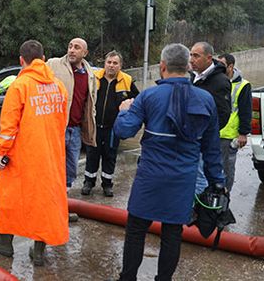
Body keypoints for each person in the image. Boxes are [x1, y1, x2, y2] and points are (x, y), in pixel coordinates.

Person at [113, 43, 225, 281]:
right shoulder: (205, 100)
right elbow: (212, 149)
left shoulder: (148, 96)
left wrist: (124, 109)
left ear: (162, 66)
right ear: (187, 67)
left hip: (150, 178)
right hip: (182, 181)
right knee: (172, 234)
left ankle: (128, 278)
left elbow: (124, 131)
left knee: (135, 231)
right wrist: (218, 183)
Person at [0, 40, 69, 266]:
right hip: (50, 155)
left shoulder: (20, 86)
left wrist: (1, 152)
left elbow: (8, 126)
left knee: (10, 197)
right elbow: (63, 122)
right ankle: (39, 250)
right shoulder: (58, 85)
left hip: (21, 155)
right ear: (43, 57)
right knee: (45, 200)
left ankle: (4, 243)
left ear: (21, 60)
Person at [82, 50, 139, 197]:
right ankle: (89, 182)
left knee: (109, 155)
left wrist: (128, 117)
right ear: (105, 64)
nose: (111, 66)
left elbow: (138, 101)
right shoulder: (94, 77)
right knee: (92, 155)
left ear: (120, 65)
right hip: (94, 125)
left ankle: (107, 184)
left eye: (115, 63)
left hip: (113, 128)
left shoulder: (127, 80)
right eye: (109, 62)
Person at [46, 38, 97, 190]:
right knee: (53, 166)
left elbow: (90, 102)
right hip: (57, 127)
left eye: (77, 47)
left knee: (71, 168)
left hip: (75, 129)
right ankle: (53, 199)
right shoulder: (53, 64)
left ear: (85, 53)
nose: (72, 50)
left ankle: (65, 195)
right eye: (70, 46)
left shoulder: (90, 74)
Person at [189, 42, 231, 194]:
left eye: (196, 56)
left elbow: (222, 114)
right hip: (190, 139)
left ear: (209, 58)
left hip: (203, 141)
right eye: (191, 55)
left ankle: (198, 211)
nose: (192, 59)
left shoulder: (220, 81)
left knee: (201, 180)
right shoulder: (192, 77)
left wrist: (205, 134)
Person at [216, 53, 252, 191]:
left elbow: (245, 111)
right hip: (213, 133)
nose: (218, 68)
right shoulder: (216, 81)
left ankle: (224, 198)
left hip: (229, 136)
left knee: (226, 169)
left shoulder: (243, 86)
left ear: (230, 67)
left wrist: (243, 134)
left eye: (221, 65)